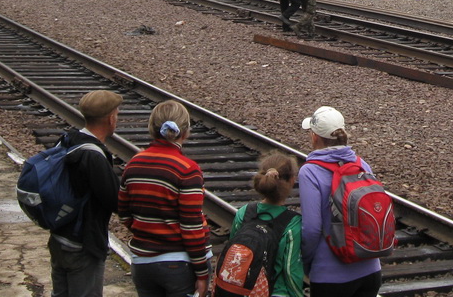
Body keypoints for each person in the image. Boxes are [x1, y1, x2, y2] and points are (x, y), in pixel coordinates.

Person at [118, 100, 211, 297]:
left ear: (151, 128)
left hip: (142, 263)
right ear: (185, 132)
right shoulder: (187, 169)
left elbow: (125, 214)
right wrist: (202, 272)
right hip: (178, 264)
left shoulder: (133, 164)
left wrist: (147, 232)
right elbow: (191, 226)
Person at [299, 107, 382, 297]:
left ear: (315, 137)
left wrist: (305, 263)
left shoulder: (310, 172)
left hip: (331, 276)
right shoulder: (361, 164)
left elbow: (311, 229)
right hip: (370, 270)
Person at [48, 90, 123, 297]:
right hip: (83, 244)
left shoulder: (68, 140)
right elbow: (115, 200)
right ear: (110, 118)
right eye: (117, 114)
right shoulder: (94, 156)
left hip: (59, 235)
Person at [225, 153, 304, 297]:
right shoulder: (292, 223)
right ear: (292, 181)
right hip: (276, 291)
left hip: (243, 290)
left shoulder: (243, 212)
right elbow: (290, 270)